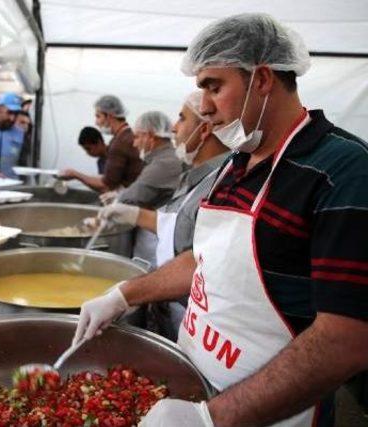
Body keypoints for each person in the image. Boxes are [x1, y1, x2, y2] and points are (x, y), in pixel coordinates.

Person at [74, 14, 368, 427]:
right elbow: (205, 260)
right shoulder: (237, 162)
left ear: (262, 78)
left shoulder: (344, 170)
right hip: (195, 384)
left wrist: (212, 418)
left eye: (214, 86)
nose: (205, 105)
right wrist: (124, 295)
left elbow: (346, 340)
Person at [98, 92, 229, 339]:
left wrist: (128, 294)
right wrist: (133, 214)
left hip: (191, 313)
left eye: (181, 118)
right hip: (171, 302)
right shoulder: (198, 175)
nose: (173, 127)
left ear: (204, 130)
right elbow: (178, 225)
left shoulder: (221, 184)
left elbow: (200, 258)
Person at [60, 95, 142, 192]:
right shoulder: (128, 136)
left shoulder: (119, 143)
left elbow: (106, 186)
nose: (96, 122)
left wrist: (75, 174)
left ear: (109, 116)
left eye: (98, 116)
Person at [113, 111, 184, 208]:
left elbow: (129, 199)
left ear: (150, 136)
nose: (134, 144)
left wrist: (118, 197)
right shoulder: (169, 157)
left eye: (136, 137)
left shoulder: (163, 164)